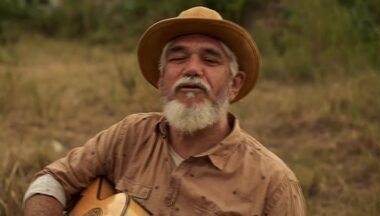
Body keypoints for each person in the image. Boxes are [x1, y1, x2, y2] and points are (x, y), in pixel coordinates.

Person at [23, 6, 305, 215]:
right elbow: (53, 179)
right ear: (161, 79)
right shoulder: (129, 135)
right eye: (178, 57)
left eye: (210, 59)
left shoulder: (274, 182)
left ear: (234, 84)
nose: (192, 69)